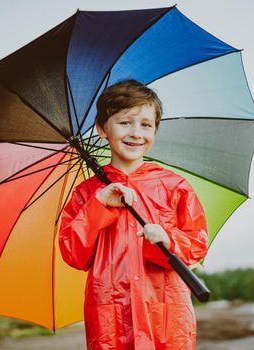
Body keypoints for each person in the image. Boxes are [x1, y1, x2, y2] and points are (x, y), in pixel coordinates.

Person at [59, 79, 208, 349]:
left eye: (146, 125)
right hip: (111, 317)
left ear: (156, 131)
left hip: (165, 313)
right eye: (125, 122)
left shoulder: (174, 186)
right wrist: (98, 205)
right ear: (102, 128)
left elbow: (196, 245)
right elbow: (73, 253)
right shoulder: (87, 192)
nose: (136, 133)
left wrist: (167, 239)